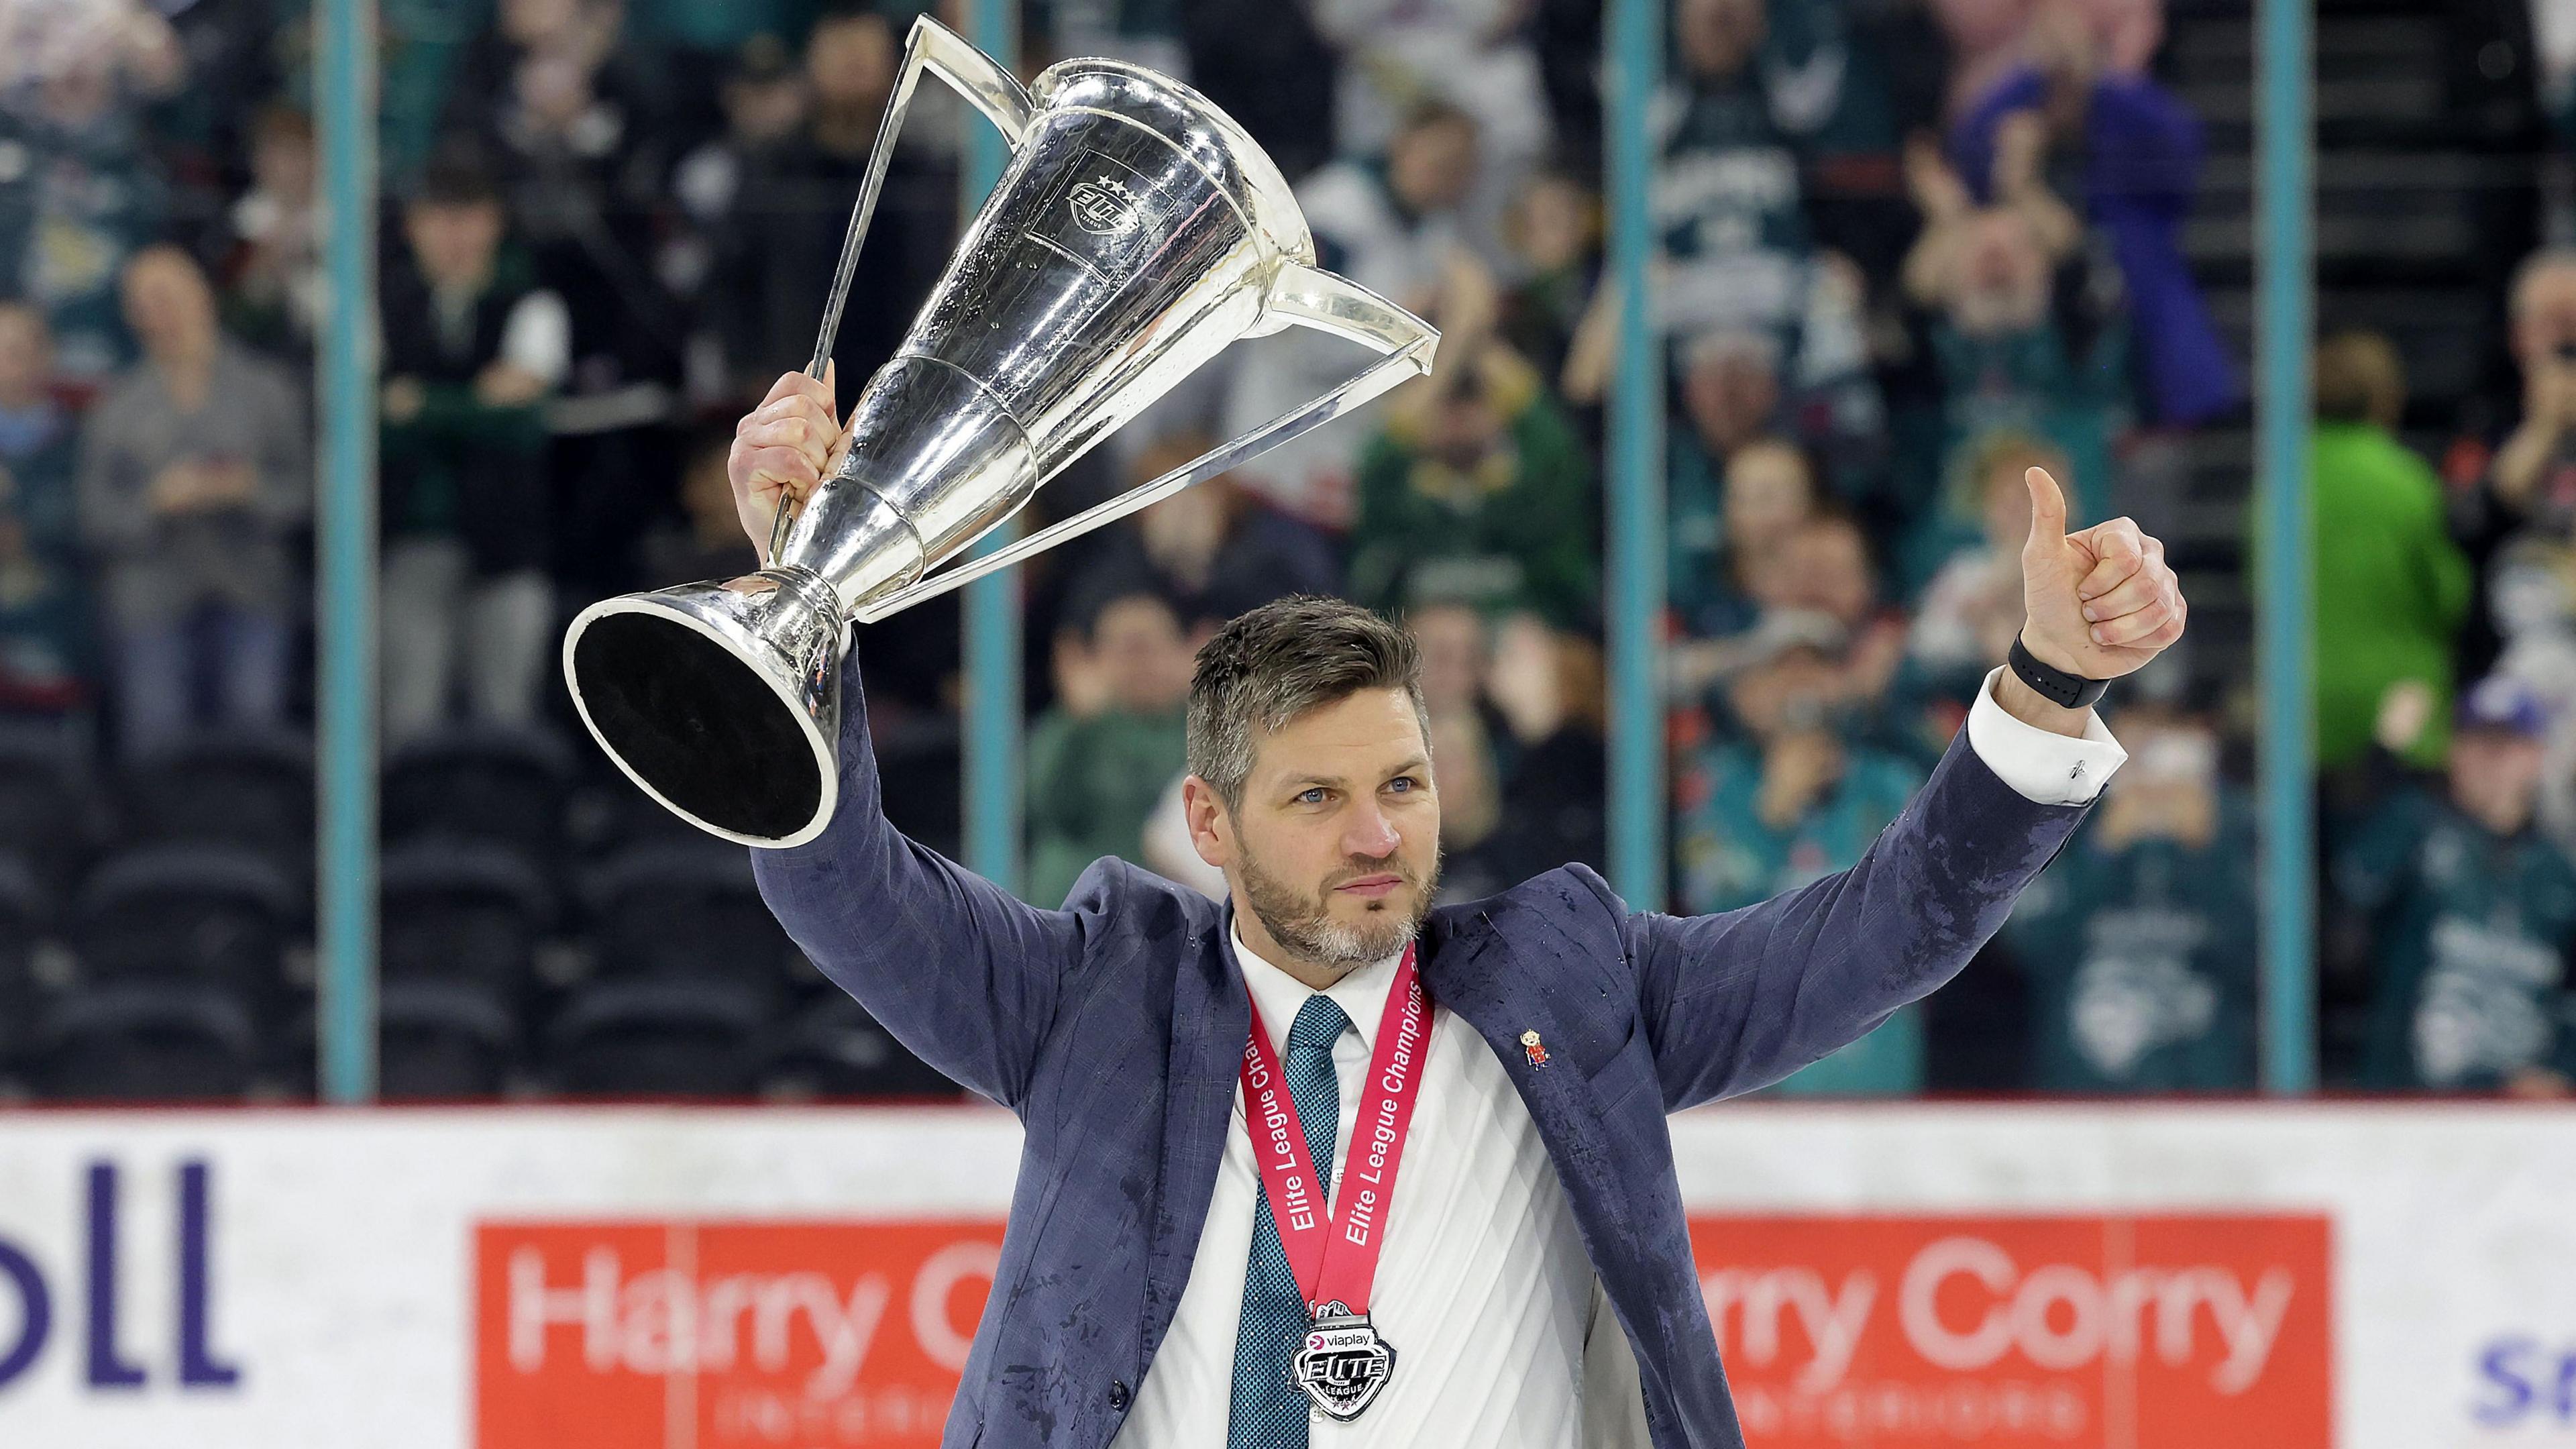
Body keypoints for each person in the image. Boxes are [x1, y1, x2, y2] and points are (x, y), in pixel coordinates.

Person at [728, 368, 2182, 1448]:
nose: (1378, 837)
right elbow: (838, 880)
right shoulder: (1094, 997)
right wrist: (805, 595)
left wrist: (2048, 684)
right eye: (1316, 800)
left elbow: (1890, 926)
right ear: (1209, 827)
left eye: (1405, 784)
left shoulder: (1576, 985)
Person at [76, 246, 309, 756]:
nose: (161, 313)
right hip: (154, 598)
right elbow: (95, 518)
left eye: (170, 297)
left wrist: (248, 489)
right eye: (145, 302)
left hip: (250, 590)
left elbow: (306, 494)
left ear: (203, 296)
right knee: (158, 744)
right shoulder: (116, 406)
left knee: (252, 741)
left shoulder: (267, 389)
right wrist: (156, 501)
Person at [377, 157, 570, 746]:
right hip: (412, 538)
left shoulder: (532, 303)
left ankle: (505, 830)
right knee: (408, 712)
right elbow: (369, 421)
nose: (454, 235)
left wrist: (422, 406)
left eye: (467, 218)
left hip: (509, 543)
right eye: (439, 218)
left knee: (505, 711)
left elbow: (521, 421)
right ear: (414, 226)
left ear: (493, 223)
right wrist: (476, 402)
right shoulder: (387, 300)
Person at [2001, 698, 2260, 1091]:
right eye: (2139, 738)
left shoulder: (2241, 823)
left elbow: (2271, 958)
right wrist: (2102, 851)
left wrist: (2205, 854)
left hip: (2205, 1091)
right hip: (2077, 1088)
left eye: (2174, 737)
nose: (2156, 764)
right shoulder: (2058, 815)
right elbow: (2025, 942)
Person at [2339, 675, 2576, 1096]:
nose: (2490, 762)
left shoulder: (2560, 870)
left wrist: (2560, 1069)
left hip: (2515, 1110)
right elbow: (2347, 887)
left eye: (2505, 747)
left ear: (2535, 757)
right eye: (2477, 743)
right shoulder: (2414, 826)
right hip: (2405, 1096)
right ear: (2454, 751)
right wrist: (2382, 760)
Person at [2273, 331, 2473, 775]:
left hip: (2305, 700)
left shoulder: (2279, 481)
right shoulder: (2406, 480)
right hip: (2399, 701)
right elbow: (2449, 594)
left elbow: (2261, 581)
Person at [1026, 588, 1196, 909]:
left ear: (1184, 652)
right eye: (1126, 650)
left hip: (1178, 904)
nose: (1141, 665)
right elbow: (1045, 809)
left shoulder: (1205, 727)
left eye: (1151, 647)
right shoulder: (1071, 727)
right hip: (1078, 905)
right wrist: (1079, 724)